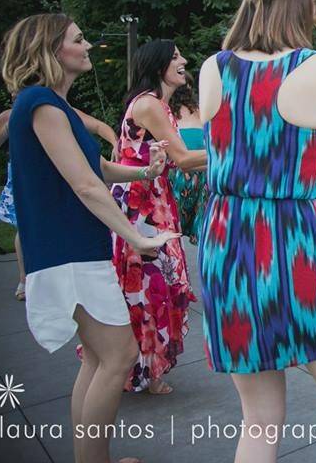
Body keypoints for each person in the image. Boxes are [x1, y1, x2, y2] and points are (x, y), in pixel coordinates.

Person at [198, 0, 316, 463]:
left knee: (257, 422)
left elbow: (229, 155)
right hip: (295, 245)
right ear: (304, 0)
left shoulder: (214, 68)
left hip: (227, 245)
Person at [0, 13, 179, 463]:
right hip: (69, 253)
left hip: (73, 251)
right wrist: (135, 237)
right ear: (52, 50)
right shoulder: (40, 103)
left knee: (99, 359)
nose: (88, 46)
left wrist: (145, 170)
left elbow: (97, 167)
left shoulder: (52, 106)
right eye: (79, 39)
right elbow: (84, 185)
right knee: (118, 356)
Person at [112, 39, 205, 394]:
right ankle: (133, 370)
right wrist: (235, 153)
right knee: (147, 284)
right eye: (176, 56)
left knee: (155, 284)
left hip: (152, 197)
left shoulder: (157, 105)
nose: (184, 60)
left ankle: (146, 370)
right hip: (141, 205)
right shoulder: (150, 104)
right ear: (159, 65)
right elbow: (183, 158)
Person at [0, 106, 116, 300]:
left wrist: (116, 143)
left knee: (62, 223)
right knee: (24, 226)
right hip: (25, 178)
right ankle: (25, 278)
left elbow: (99, 126)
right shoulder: (9, 117)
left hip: (55, 175)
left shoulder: (57, 109)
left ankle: (66, 275)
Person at [168, 74, 208, 245]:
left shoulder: (168, 112)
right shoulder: (201, 110)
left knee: (173, 225)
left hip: (183, 173)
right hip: (198, 171)